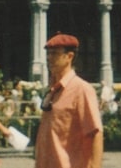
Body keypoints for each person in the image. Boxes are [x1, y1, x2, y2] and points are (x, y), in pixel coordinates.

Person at [34, 33, 103, 168]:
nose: (49, 58)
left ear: (69, 57)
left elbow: (95, 132)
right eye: (48, 54)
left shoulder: (81, 89)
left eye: (54, 54)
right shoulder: (53, 90)